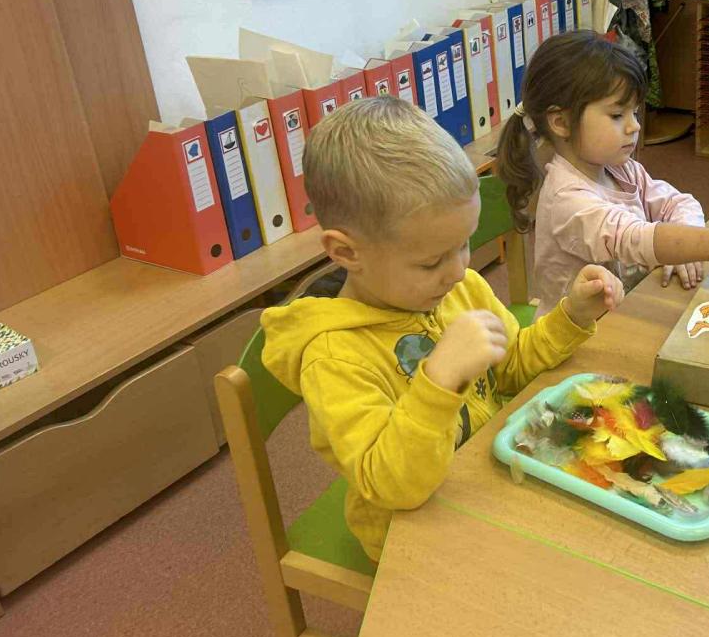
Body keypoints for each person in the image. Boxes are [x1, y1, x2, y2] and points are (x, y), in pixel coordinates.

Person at [261, 97, 622, 561]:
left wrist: (572, 316)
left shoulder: (457, 288)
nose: (457, 271)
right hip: (411, 535)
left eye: (464, 245)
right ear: (346, 252)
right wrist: (439, 381)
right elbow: (394, 486)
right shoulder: (334, 358)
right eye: (431, 261)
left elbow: (511, 367)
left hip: (488, 479)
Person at [496, 30, 709, 314]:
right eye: (617, 115)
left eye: (634, 112)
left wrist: (686, 247)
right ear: (561, 122)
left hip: (626, 313)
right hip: (579, 335)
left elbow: (678, 203)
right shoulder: (566, 199)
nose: (635, 126)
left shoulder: (621, 168)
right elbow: (633, 239)